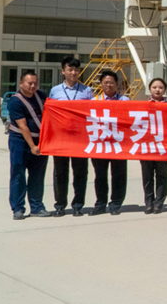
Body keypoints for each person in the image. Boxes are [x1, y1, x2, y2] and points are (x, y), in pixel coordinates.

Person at [48, 56, 93, 216]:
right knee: (60, 173)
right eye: (70, 69)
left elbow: (92, 114)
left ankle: (78, 205)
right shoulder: (55, 91)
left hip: (80, 139)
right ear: (63, 71)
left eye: (76, 70)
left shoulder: (86, 91)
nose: (74, 72)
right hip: (61, 139)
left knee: (80, 173)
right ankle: (60, 205)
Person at [7, 70, 51, 220]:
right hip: (20, 142)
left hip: (40, 142)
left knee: (37, 176)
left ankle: (37, 206)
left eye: (35, 83)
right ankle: (18, 208)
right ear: (21, 83)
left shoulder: (42, 96)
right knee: (18, 175)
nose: (33, 86)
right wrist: (32, 146)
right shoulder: (15, 101)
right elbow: (23, 126)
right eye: (29, 83)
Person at [91, 70, 129, 215]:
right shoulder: (94, 102)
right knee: (100, 175)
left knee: (119, 175)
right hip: (100, 144)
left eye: (111, 82)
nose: (108, 85)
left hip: (119, 144)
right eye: (105, 82)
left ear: (116, 84)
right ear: (101, 84)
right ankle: (100, 203)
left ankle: (116, 203)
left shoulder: (125, 101)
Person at [140, 78, 167, 214]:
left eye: (161, 87)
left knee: (162, 175)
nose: (157, 90)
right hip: (146, 146)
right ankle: (148, 202)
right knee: (147, 175)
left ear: (165, 90)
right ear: (149, 89)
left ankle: (159, 202)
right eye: (154, 87)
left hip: (163, 146)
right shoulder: (143, 106)